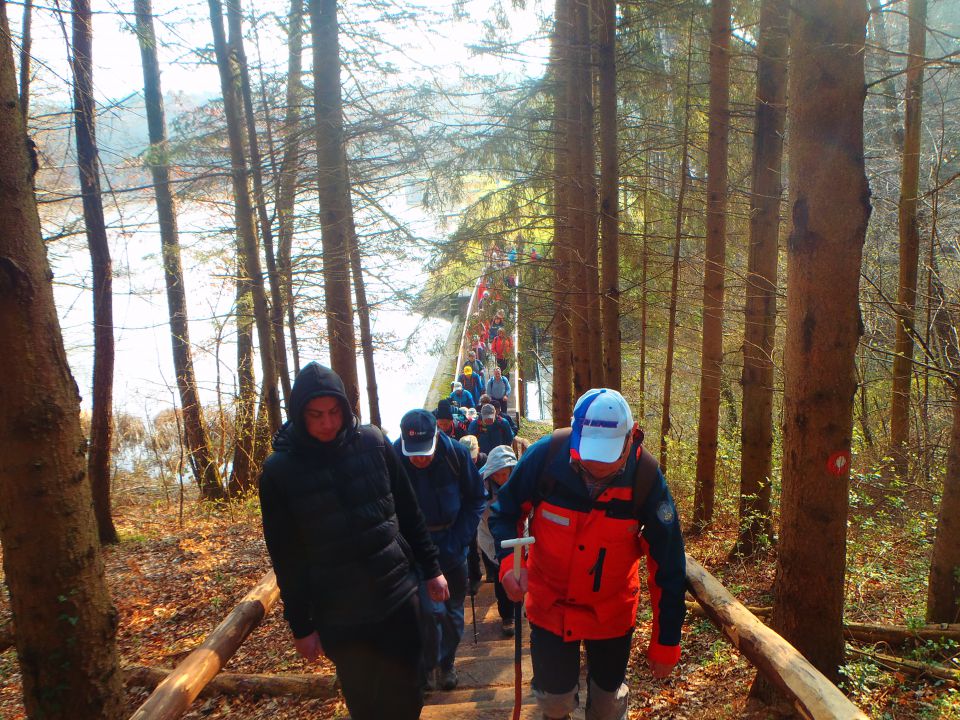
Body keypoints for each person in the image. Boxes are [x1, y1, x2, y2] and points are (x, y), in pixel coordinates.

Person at [258, 363, 449, 720]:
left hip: (398, 596)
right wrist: (301, 625)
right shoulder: (279, 472)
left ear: (346, 409)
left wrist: (432, 569)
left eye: (334, 413)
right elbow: (286, 556)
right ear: (299, 415)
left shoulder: (373, 443)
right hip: (340, 613)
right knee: (365, 703)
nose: (327, 423)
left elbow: (409, 513)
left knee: (410, 690)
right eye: (316, 415)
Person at [489, 388, 686, 720]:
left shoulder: (646, 479)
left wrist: (666, 640)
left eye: (608, 459)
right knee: (554, 702)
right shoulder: (545, 458)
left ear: (631, 439)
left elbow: (668, 563)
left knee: (608, 706)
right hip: (549, 603)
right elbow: (504, 512)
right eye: (590, 457)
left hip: (611, 611)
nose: (597, 469)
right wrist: (509, 565)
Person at [395, 409, 486, 692]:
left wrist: (459, 539)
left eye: (425, 452)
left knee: (451, 611)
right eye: (414, 453)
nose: (419, 459)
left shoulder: (455, 455)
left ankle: (446, 663)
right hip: (412, 551)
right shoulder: (393, 459)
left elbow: (475, 499)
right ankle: (424, 670)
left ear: (437, 436)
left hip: (451, 545)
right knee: (424, 612)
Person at [476, 444, 520, 637]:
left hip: (517, 532)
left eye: (506, 474)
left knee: (519, 571)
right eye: (498, 475)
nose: (502, 479)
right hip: (490, 534)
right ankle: (507, 616)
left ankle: (520, 608)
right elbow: (481, 518)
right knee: (501, 574)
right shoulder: (481, 487)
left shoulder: (522, 482)